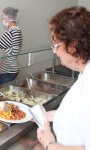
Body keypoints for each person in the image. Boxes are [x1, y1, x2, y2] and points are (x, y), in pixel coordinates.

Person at [36, 6, 90, 150]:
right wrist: (48, 116)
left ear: (73, 46)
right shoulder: (84, 73)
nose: (55, 52)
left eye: (56, 45)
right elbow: (77, 115)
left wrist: (49, 144)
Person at [0, 7, 23, 85]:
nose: (2, 20)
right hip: (13, 68)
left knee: (1, 93)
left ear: (10, 17)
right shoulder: (18, 30)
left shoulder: (10, 32)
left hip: (8, 70)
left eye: (3, 17)